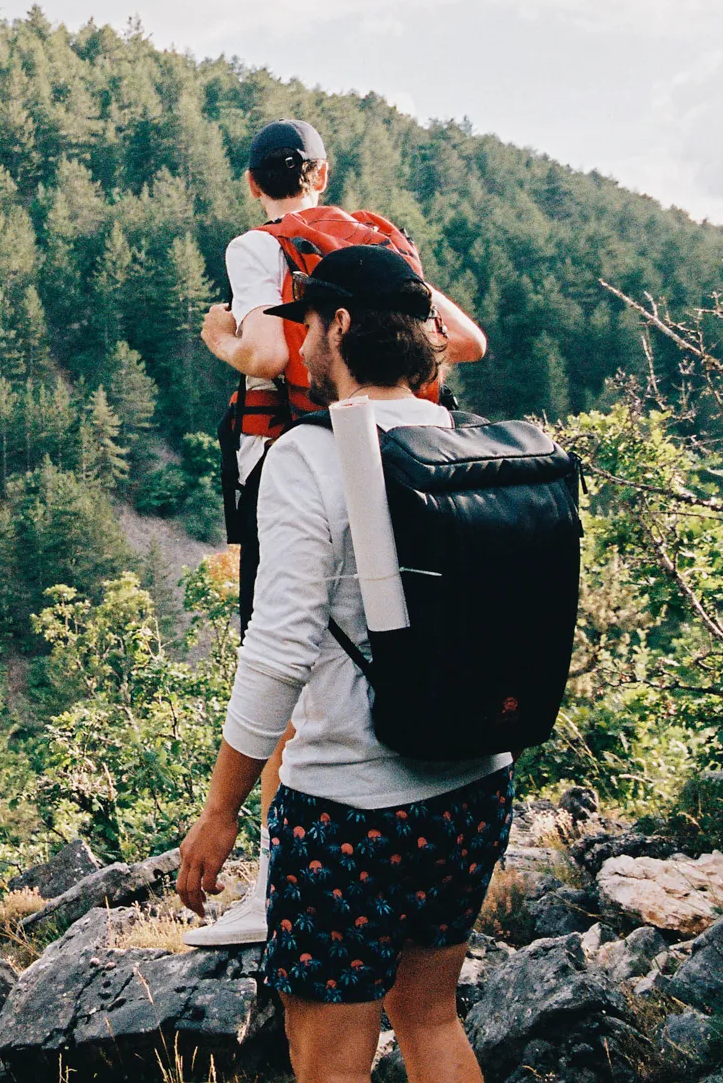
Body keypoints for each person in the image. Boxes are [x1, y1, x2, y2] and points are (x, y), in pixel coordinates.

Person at [177, 246, 515, 1083]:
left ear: (342, 325)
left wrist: (220, 812)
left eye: (309, 328)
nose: (301, 350)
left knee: (329, 1063)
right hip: (474, 787)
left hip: (351, 813)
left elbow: (278, 650)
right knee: (430, 1015)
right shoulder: (462, 442)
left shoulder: (307, 456)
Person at [187, 119, 485, 948]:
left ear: (254, 183)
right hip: (411, 453)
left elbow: (262, 357)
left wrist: (222, 341)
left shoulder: (258, 247)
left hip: (300, 462)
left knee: (295, 656)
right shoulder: (381, 240)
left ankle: (271, 882)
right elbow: (466, 342)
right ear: (324, 173)